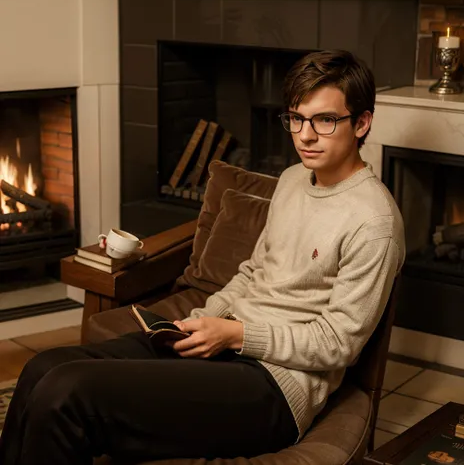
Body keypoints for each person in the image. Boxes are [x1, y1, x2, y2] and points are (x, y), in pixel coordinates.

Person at [0, 49, 405, 465]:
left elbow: (339, 345)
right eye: (296, 118)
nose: (304, 135)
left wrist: (236, 335)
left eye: (324, 120)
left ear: (361, 123)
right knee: (43, 368)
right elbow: (253, 272)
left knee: (66, 391)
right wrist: (201, 320)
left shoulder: (374, 222)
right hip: (222, 345)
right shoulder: (292, 179)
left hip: (275, 388)